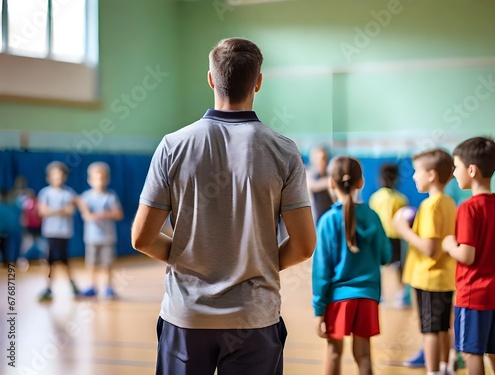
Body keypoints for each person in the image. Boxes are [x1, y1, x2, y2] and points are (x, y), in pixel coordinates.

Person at [131, 37, 316, 375]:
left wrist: (186, 257)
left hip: (186, 316)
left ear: (211, 78)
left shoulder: (173, 145)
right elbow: (304, 246)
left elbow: (142, 238)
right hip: (255, 318)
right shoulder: (284, 151)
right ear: (258, 82)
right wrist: (255, 263)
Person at [312, 156, 392, 375]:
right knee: (364, 356)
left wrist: (319, 309)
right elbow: (386, 256)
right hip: (367, 298)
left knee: (334, 353)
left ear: (331, 182)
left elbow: (321, 272)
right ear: (361, 183)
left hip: (337, 300)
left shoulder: (327, 221)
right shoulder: (373, 217)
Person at [393, 148, 457, 375]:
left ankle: (432, 371)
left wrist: (404, 230)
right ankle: (445, 366)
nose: (413, 176)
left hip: (429, 278)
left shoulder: (430, 206)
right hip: (444, 277)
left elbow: (431, 249)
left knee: (429, 331)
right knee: (442, 327)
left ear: (431, 175)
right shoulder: (448, 202)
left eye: (417, 171)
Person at [442, 136, 495, 375]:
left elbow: (466, 255)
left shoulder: (468, 208)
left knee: (471, 352)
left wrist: (448, 245)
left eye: (456, 167)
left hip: (473, 295)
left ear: (472, 170)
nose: (454, 173)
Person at [77, 162, 123, 299]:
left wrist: (102, 214)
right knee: (91, 262)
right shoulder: (86, 196)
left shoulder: (111, 196)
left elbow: (118, 214)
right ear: (90, 180)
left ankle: (108, 286)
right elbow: (85, 214)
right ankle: (92, 286)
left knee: (107, 263)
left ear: (107, 179)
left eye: (102, 178)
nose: (99, 181)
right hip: (91, 237)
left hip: (107, 237)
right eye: (96, 178)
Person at [368, 162, 411, 309]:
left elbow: (372, 220)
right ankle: (402, 296)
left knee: (378, 268)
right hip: (396, 239)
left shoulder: (375, 198)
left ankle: (380, 296)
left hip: (380, 238)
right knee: (400, 267)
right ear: (397, 179)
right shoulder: (401, 198)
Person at [37, 161, 80, 302]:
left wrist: (54, 211)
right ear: (49, 177)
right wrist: (60, 210)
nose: (58, 178)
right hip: (50, 233)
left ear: (65, 177)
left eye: (60, 176)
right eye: (54, 176)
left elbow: (70, 210)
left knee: (64, 260)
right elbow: (43, 211)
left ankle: (72, 284)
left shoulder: (69, 193)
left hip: (64, 233)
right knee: (49, 261)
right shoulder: (45, 193)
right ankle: (48, 288)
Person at [307, 145, 335, 224]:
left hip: (329, 220)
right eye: (317, 158)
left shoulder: (329, 174)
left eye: (323, 158)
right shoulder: (308, 174)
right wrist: (330, 181)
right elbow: (312, 185)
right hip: (315, 220)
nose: (321, 161)